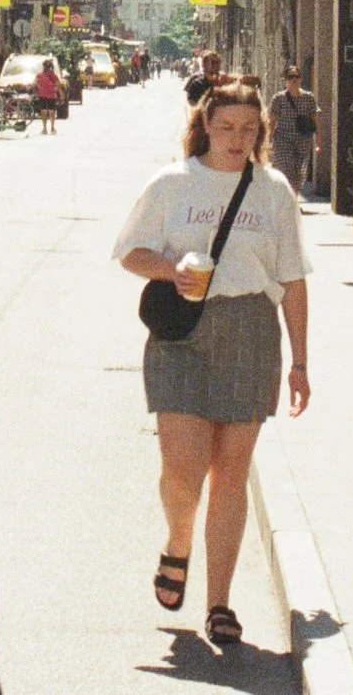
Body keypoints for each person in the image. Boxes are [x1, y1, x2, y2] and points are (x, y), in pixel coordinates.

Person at [114, 77, 310, 649]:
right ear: (204, 126)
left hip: (250, 329)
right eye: (225, 127)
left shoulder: (273, 191)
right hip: (183, 333)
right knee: (184, 469)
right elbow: (131, 253)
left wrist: (301, 362)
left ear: (260, 133)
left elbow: (293, 281)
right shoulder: (173, 183)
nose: (235, 138)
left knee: (231, 473)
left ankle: (219, 603)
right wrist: (170, 270)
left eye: (248, 129)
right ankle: (179, 541)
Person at [266, 64, 320, 197]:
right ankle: (288, 198)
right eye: (290, 77)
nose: (293, 80)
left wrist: (319, 141)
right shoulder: (279, 98)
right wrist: (268, 141)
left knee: (299, 173)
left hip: (303, 140)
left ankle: (293, 198)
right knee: (286, 169)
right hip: (283, 139)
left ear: (301, 79)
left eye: (296, 77)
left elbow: (315, 119)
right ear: (285, 80)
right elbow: (272, 121)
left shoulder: (309, 98)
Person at [33, 57, 62, 136]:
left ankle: (45, 128)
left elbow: (34, 84)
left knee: (44, 112)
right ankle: (52, 128)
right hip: (52, 95)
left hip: (42, 95)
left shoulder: (39, 75)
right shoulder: (53, 75)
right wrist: (61, 95)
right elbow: (59, 85)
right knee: (52, 112)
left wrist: (36, 91)